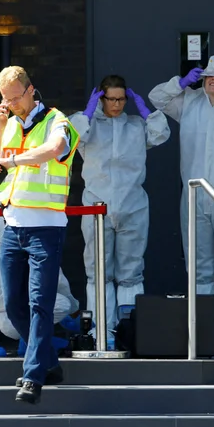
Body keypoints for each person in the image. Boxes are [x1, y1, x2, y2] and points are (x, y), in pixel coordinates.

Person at [0, 65, 79, 404]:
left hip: (46, 229)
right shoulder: (7, 124)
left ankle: (32, 376)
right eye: (4, 99)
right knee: (13, 305)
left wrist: (14, 161)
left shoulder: (57, 121)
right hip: (13, 228)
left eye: (15, 98)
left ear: (30, 89)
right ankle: (49, 363)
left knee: (40, 304)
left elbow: (53, 150)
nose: (10, 104)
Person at [148, 55, 214, 351]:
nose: (212, 80)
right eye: (208, 76)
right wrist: (179, 83)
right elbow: (157, 98)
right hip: (195, 197)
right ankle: (204, 328)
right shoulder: (190, 102)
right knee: (200, 269)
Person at [69, 75, 170, 349]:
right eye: (111, 98)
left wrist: (146, 110)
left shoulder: (135, 125)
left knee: (131, 271)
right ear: (101, 98)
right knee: (98, 271)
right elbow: (70, 138)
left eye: (121, 99)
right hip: (97, 204)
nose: (117, 104)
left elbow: (161, 134)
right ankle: (101, 332)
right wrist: (88, 112)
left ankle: (129, 331)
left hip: (132, 203)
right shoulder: (89, 126)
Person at [0, 215, 82, 357]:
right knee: (60, 304)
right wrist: (74, 311)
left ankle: (28, 340)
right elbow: (52, 271)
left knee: (25, 292)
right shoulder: (23, 221)